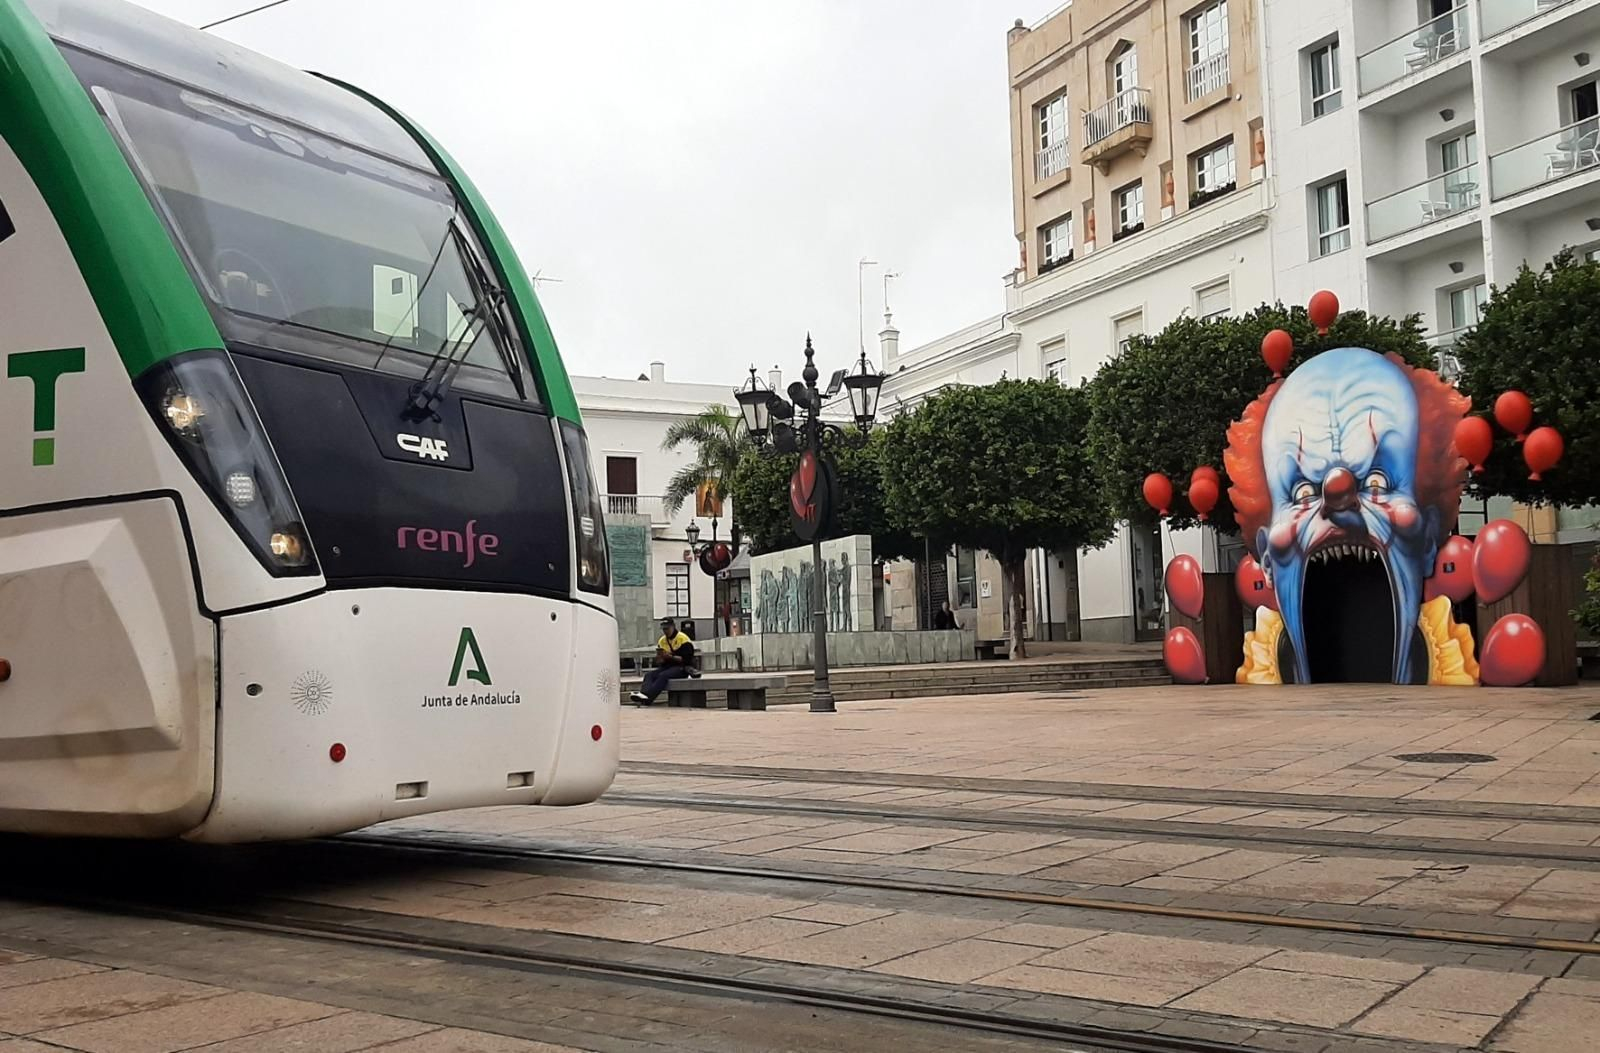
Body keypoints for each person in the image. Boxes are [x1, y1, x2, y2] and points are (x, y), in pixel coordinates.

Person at [630, 618, 695, 705]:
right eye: (664, 629)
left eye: (667, 629)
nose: (665, 631)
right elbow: (660, 662)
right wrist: (660, 659)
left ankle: (649, 697)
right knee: (649, 675)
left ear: (673, 627)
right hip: (667, 666)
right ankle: (643, 694)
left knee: (663, 676)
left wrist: (670, 657)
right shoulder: (662, 640)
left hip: (681, 668)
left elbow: (687, 660)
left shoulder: (683, 639)